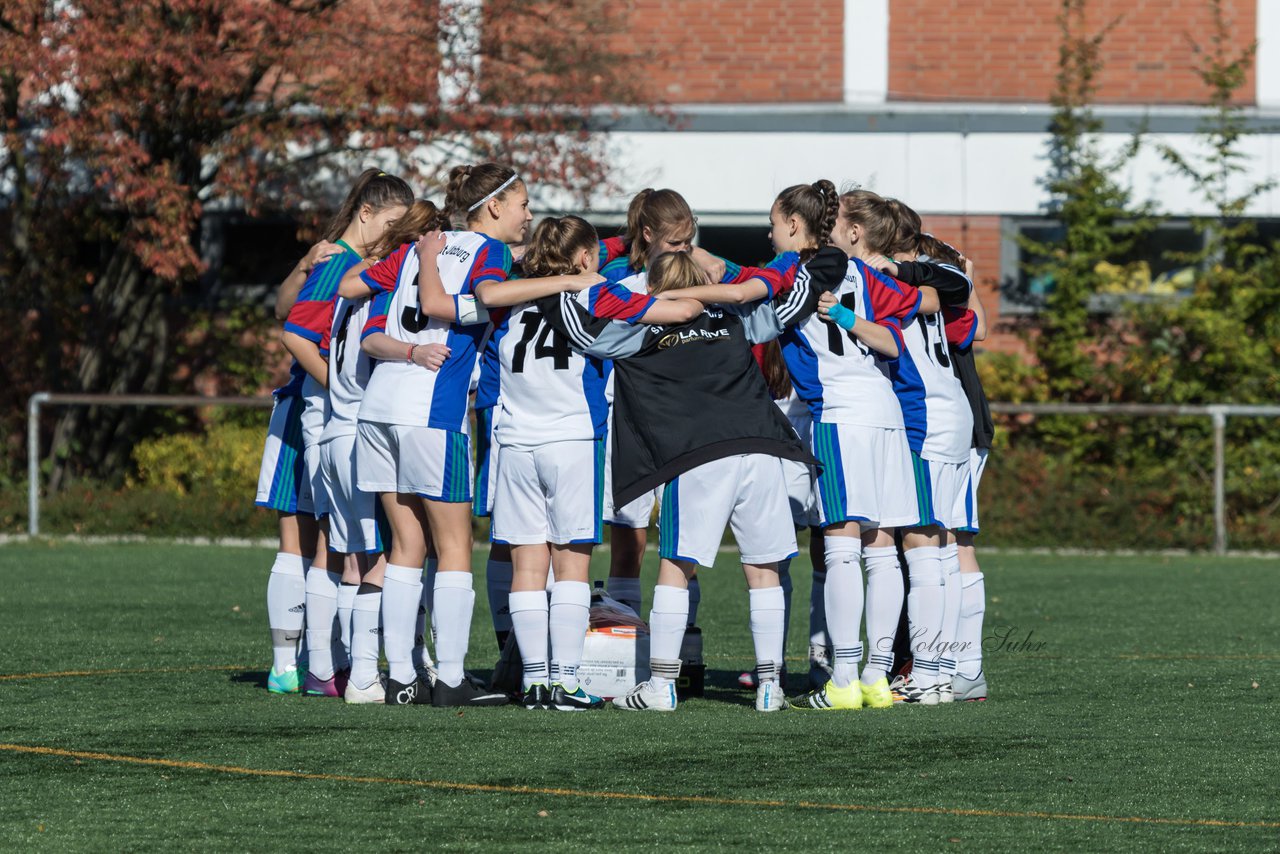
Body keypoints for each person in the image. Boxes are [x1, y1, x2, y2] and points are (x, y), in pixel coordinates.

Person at [544, 243, 848, 713]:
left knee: (676, 567)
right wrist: (788, 262)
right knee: (763, 570)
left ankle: (661, 685)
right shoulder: (737, 321)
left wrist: (569, 281)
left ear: (653, 289)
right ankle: (771, 686)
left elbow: (581, 332)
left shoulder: (637, 333)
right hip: (761, 448)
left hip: (698, 457)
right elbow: (795, 302)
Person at [256, 169, 412, 695]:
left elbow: (285, 313)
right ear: (365, 214)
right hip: (316, 414)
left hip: (325, 414)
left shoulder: (351, 262)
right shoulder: (342, 262)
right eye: (392, 223)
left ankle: (324, 666)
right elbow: (293, 331)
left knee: (331, 542)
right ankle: (302, 665)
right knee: (314, 541)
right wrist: (345, 388)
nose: (397, 236)